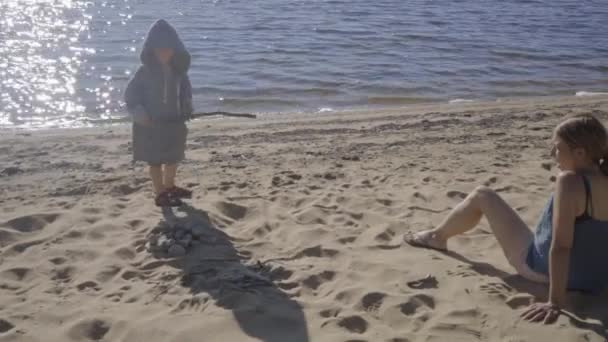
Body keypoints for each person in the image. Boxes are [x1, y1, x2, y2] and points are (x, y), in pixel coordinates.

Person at [404, 114, 608, 323]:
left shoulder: (570, 182)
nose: (552, 154)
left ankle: (436, 238)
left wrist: (554, 302)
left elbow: (562, 247)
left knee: (483, 195)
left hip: (543, 270)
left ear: (580, 152)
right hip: (598, 278)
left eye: (557, 148)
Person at [124, 19, 193, 207]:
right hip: (150, 124)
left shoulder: (179, 72)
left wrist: (187, 109)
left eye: (168, 48)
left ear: (175, 49)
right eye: (159, 49)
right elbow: (130, 97)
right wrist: (140, 113)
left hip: (174, 122)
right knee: (154, 160)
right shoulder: (143, 72)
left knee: (174, 156)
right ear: (151, 50)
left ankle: (170, 186)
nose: (164, 53)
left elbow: (186, 94)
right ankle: (160, 192)